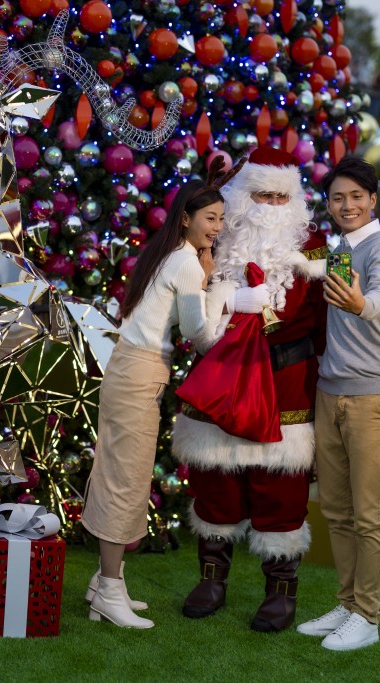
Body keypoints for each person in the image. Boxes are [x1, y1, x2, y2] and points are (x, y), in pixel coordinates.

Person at [172, 145, 327, 632]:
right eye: (260, 194)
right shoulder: (214, 238)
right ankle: (211, 580)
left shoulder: (315, 246)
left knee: (279, 489)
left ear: (295, 201)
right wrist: (230, 301)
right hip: (221, 380)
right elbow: (188, 302)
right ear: (241, 194)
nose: (269, 207)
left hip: (286, 386)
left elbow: (319, 319)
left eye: (280, 197)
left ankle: (280, 591)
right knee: (215, 480)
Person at [80, 162, 239, 629]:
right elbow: (202, 336)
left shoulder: (170, 254)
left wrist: (207, 278)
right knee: (125, 478)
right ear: (186, 218)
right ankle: (109, 590)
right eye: (210, 218)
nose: (218, 227)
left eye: (221, 219)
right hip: (140, 372)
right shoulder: (186, 263)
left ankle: (106, 583)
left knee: (118, 470)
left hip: (131, 368)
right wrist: (224, 294)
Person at [296, 156, 380, 651]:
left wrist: (362, 304)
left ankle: (368, 616)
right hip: (330, 392)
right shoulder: (338, 247)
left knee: (369, 515)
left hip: (372, 396)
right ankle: (346, 604)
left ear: (373, 199)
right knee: (337, 512)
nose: (347, 205)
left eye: (356, 196)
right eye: (338, 198)